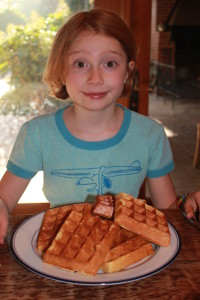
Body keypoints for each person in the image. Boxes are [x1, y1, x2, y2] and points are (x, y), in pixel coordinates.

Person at [0, 8, 199, 245]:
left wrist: (186, 204)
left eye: (110, 63)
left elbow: (167, 209)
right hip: (61, 257)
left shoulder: (151, 135)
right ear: (61, 70)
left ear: (128, 70)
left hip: (127, 258)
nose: (95, 78)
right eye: (81, 63)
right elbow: (4, 198)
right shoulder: (36, 135)